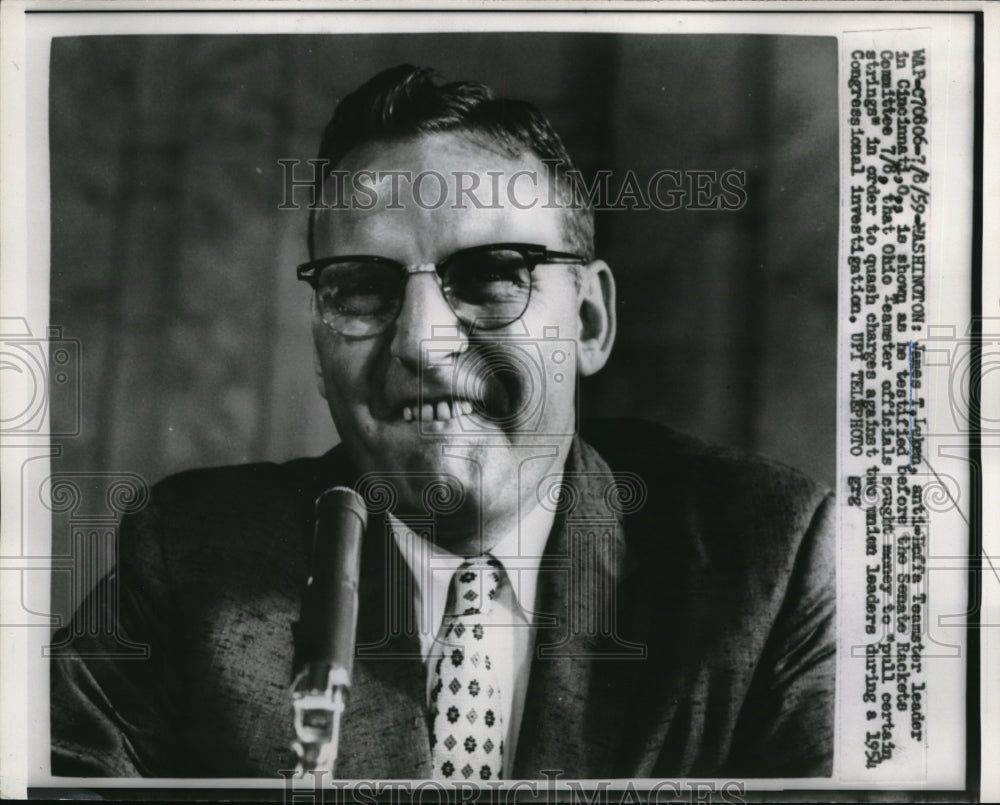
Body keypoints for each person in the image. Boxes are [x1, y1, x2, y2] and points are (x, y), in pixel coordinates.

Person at [50, 64, 835, 781]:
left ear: (590, 320)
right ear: (321, 350)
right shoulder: (189, 559)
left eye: (492, 276)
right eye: (361, 286)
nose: (423, 340)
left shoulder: (768, 563)